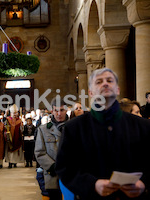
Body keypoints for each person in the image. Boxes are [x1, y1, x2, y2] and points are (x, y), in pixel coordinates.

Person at [56, 68, 150, 200]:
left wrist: (143, 183)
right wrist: (92, 185)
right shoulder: (74, 128)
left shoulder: (143, 126)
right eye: (99, 81)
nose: (105, 84)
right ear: (91, 92)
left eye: (109, 81)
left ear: (117, 89)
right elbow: (65, 167)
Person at [34, 98, 68, 200]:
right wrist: (53, 166)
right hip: (52, 174)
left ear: (66, 110)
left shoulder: (74, 127)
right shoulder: (43, 129)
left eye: (61, 110)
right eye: (56, 110)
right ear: (52, 111)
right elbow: (39, 152)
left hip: (69, 173)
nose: (59, 114)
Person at [4, 104, 24, 168]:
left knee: (16, 151)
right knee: (9, 150)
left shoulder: (19, 120)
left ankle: (15, 163)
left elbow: (21, 129)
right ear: (11, 113)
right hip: (9, 138)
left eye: (16, 113)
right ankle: (10, 162)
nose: (15, 114)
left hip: (17, 137)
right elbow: (4, 125)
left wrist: (21, 127)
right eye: (13, 113)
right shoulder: (7, 119)